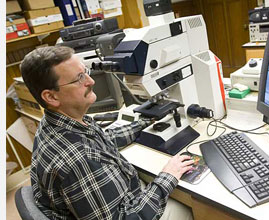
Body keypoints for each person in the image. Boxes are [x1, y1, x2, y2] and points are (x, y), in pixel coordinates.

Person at [20, 46, 194, 220]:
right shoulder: (79, 161)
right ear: (51, 97)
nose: (91, 81)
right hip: (124, 212)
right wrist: (167, 176)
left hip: (116, 199)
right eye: (79, 78)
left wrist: (144, 123)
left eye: (85, 72)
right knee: (191, 208)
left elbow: (103, 140)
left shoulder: (59, 122)